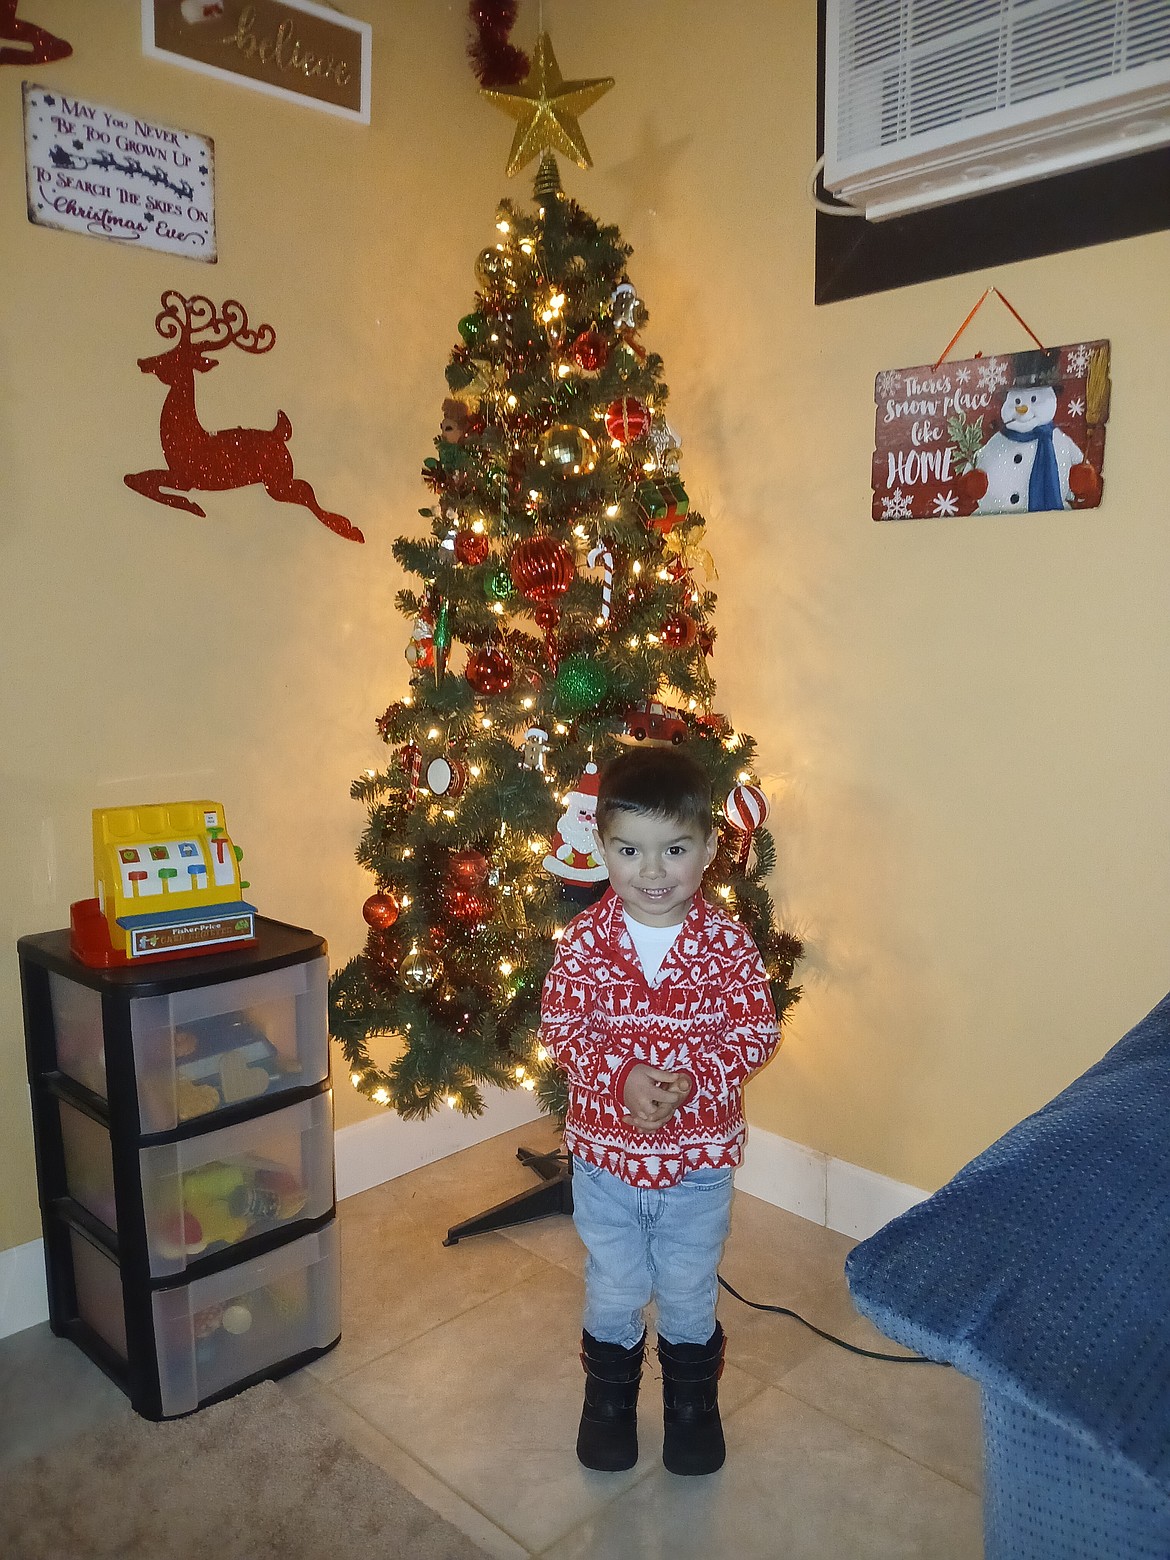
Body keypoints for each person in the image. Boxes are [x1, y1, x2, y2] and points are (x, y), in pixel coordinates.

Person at [540, 746, 780, 1476]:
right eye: (630, 850)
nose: (652, 871)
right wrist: (620, 1076)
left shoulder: (728, 946)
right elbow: (562, 1030)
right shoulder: (584, 943)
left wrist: (694, 1078)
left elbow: (754, 1032)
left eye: (674, 850)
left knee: (686, 1286)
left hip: (696, 1169)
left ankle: (690, 1407)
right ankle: (607, 1404)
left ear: (708, 849)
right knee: (613, 1283)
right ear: (602, 848)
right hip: (607, 1165)